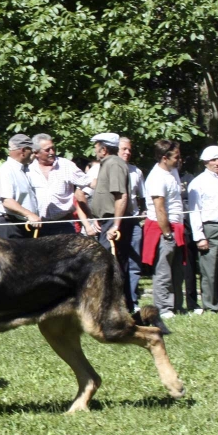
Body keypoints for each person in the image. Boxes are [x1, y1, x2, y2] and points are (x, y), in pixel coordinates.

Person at [90, 132, 134, 311]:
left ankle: (119, 307)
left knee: (113, 266)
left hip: (113, 224)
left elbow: (121, 196)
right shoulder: (107, 164)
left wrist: (115, 224)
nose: (95, 149)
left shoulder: (114, 164)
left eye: (96, 146)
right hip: (105, 221)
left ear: (104, 148)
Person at [142, 140, 185, 319]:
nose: (179, 159)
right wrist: (167, 234)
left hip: (177, 225)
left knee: (177, 270)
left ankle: (177, 306)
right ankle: (163, 308)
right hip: (163, 229)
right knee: (163, 270)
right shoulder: (156, 177)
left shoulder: (172, 171)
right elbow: (160, 208)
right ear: (164, 158)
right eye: (176, 157)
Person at [188, 146, 218, 313]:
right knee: (210, 271)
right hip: (211, 228)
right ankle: (211, 306)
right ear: (206, 162)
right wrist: (200, 236)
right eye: (214, 160)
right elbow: (194, 212)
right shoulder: (198, 183)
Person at [29, 133, 94, 237]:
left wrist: (107, 188)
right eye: (47, 150)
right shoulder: (29, 170)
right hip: (38, 226)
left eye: (53, 148)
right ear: (36, 153)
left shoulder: (65, 165)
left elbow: (88, 181)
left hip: (64, 225)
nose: (52, 152)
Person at [0, 134, 41, 239]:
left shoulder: (23, 170)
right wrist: (29, 214)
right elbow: (7, 201)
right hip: (11, 226)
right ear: (23, 151)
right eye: (31, 150)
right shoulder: (6, 171)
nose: (33, 154)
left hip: (24, 226)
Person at [118, 137, 147, 311]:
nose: (127, 152)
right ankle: (118, 301)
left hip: (133, 220)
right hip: (114, 222)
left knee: (134, 262)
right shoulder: (106, 169)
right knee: (117, 263)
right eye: (124, 149)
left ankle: (133, 301)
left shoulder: (136, 172)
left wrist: (142, 217)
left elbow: (142, 197)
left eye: (129, 149)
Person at [179, 155, 202, 313]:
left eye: (181, 159)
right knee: (181, 269)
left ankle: (194, 303)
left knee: (193, 267)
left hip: (191, 226)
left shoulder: (189, 178)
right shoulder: (166, 177)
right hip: (176, 227)